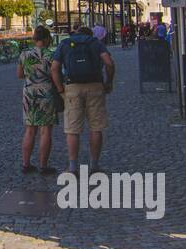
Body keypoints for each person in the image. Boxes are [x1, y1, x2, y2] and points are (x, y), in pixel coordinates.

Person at [50, 24, 115, 175]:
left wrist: (60, 89)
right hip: (95, 86)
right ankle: (94, 165)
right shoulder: (96, 43)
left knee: (72, 130)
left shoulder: (65, 43)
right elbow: (109, 63)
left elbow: (54, 68)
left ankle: (73, 167)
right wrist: (109, 82)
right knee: (96, 127)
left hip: (72, 87)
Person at [17, 25, 58, 175]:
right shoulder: (51, 55)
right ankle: (43, 165)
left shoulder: (25, 54)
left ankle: (26, 164)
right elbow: (56, 74)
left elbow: (20, 75)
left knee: (30, 129)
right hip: (46, 91)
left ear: (35, 39)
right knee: (46, 130)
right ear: (47, 39)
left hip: (29, 92)